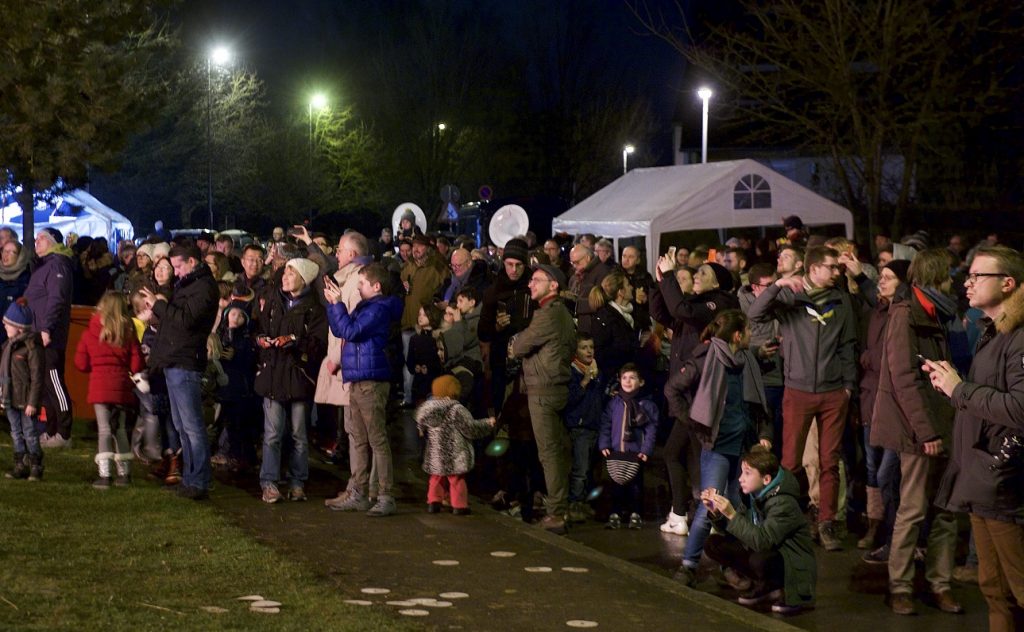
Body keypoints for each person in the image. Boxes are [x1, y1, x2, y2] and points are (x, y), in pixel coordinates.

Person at [928, 245, 1024, 632]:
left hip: (1005, 479)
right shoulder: (992, 331)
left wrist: (959, 391)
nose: (966, 282)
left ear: (1007, 283)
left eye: (977, 275)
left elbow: (1020, 408)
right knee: (993, 587)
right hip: (985, 477)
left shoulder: (1018, 337)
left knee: (1017, 585)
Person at [748, 246, 858, 551]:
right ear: (812, 269)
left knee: (829, 462)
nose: (837, 272)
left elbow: (848, 345)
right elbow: (754, 313)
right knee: (790, 461)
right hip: (797, 390)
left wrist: (848, 386)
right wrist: (777, 286)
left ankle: (826, 523)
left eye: (838, 268)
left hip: (833, 392)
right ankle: (786, 518)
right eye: (831, 267)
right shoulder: (790, 297)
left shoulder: (841, 299)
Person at [871, 249, 961, 615]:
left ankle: (940, 583)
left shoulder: (937, 313)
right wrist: (926, 433)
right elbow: (903, 379)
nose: (954, 281)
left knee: (947, 511)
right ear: (938, 277)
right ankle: (901, 586)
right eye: (949, 275)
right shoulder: (906, 315)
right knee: (912, 509)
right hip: (919, 430)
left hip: (943, 424)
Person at [666, 310, 772, 586]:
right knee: (710, 505)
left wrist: (762, 434)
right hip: (717, 446)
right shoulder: (705, 358)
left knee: (736, 507)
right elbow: (672, 389)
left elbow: (756, 408)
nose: (751, 335)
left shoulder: (746, 359)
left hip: (742, 447)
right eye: (748, 330)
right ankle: (689, 565)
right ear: (738, 335)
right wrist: (692, 421)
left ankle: (730, 566)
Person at [139, 245, 220, 500]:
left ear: (192, 261)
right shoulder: (188, 284)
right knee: (183, 426)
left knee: (192, 426)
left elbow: (185, 321)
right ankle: (191, 478)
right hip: (175, 360)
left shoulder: (203, 287)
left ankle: (199, 480)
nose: (175, 271)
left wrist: (159, 306)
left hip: (185, 362)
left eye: (178, 266)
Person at [323, 263, 404, 516]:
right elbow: (340, 329)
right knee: (357, 437)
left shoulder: (378, 309)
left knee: (376, 439)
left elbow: (350, 330)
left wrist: (337, 304)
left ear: (376, 286)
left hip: (371, 380)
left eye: (362, 283)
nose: (358, 288)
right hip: (359, 378)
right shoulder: (366, 308)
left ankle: (385, 495)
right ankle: (358, 491)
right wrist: (334, 305)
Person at [702, 446, 816, 616]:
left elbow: (763, 541)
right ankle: (765, 587)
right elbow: (738, 531)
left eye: (747, 473)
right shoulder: (753, 495)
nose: (741, 479)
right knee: (714, 544)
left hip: (794, 566)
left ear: (766, 479)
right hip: (769, 552)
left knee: (759, 558)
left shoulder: (783, 503)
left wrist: (731, 514)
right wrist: (717, 514)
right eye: (742, 473)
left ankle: (791, 593)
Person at [509, 263, 577, 534]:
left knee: (549, 453)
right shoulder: (560, 313)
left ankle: (557, 513)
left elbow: (519, 346)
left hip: (543, 390)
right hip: (556, 387)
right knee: (559, 451)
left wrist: (516, 344)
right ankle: (562, 506)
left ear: (553, 285)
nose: (530, 284)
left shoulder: (547, 315)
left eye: (536, 280)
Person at [254, 257, 327, 503]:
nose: (284, 277)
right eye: (284, 273)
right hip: (273, 374)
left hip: (298, 377)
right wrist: (262, 341)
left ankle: (298, 481)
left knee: (299, 434)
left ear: (303, 278)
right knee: (272, 434)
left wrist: (296, 342)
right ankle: (269, 482)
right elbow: (259, 327)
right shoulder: (274, 302)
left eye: (290, 273)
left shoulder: (314, 309)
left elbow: (318, 345)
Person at [74, 292, 145, 488]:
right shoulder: (128, 331)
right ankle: (124, 474)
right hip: (121, 387)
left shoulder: (91, 332)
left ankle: (104, 475)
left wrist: (95, 368)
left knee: (104, 430)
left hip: (99, 387)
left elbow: (80, 363)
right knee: (120, 430)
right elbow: (137, 364)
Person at [416, 375, 496, 515]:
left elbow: (421, 426)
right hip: (455, 452)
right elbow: (470, 428)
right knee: (456, 479)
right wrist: (487, 423)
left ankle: (433, 502)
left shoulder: (427, 409)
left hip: (436, 453)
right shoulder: (456, 409)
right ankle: (459, 506)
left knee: (436, 477)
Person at [25, 228, 75, 449]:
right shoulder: (45, 265)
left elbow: (57, 299)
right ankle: (52, 429)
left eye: (41, 238)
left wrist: (46, 328)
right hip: (37, 334)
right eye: (35, 239)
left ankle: (64, 433)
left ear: (53, 241)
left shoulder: (57, 265)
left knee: (54, 383)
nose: (37, 242)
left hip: (49, 337)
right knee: (45, 384)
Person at [599, 363, 659, 530]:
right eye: (624, 377)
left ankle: (636, 513)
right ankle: (615, 513)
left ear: (641, 382)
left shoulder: (646, 405)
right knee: (615, 486)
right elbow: (606, 424)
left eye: (632, 378)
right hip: (616, 451)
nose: (627, 381)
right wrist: (604, 443)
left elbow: (651, 429)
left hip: (635, 453)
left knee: (636, 486)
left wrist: (646, 450)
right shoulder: (614, 403)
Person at [478, 238, 533, 413]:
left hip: (529, 357)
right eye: (510, 264)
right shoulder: (494, 290)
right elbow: (483, 331)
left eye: (518, 265)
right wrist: (496, 327)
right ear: (504, 262)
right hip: (501, 358)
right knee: (501, 403)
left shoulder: (534, 287)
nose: (514, 270)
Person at [1, 300, 44, 481]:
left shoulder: (31, 348)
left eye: (8, 323)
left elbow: (37, 377)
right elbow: (3, 373)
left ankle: (35, 464)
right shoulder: (8, 346)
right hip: (10, 397)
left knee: (30, 433)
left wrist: (33, 402)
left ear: (19, 328)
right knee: (15, 432)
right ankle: (20, 463)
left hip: (26, 400)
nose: (4, 325)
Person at [564, 333, 604, 523]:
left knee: (589, 469)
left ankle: (584, 502)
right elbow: (569, 400)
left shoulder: (596, 370)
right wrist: (585, 381)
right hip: (580, 426)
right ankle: (574, 504)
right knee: (579, 469)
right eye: (584, 348)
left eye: (591, 347)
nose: (589, 351)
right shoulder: (573, 372)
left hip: (594, 424)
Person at [0, 239, 31, 346]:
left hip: (14, 341)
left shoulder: (27, 280)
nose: (5, 255)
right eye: (4, 251)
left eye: (10, 252)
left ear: (20, 256)